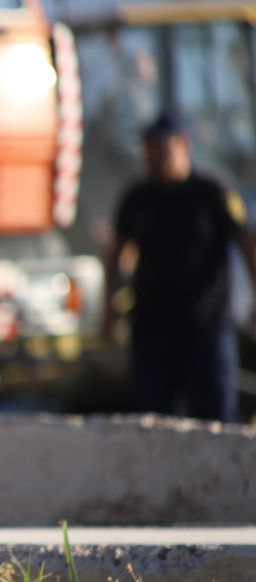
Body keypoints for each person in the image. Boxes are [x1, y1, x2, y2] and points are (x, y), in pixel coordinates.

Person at [104, 111, 256, 422]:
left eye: (161, 147)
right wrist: (110, 307)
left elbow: (248, 244)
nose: (152, 156)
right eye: (148, 148)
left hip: (207, 329)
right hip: (152, 331)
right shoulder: (137, 197)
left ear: (184, 145)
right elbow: (118, 252)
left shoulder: (212, 193)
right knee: (154, 425)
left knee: (215, 422)